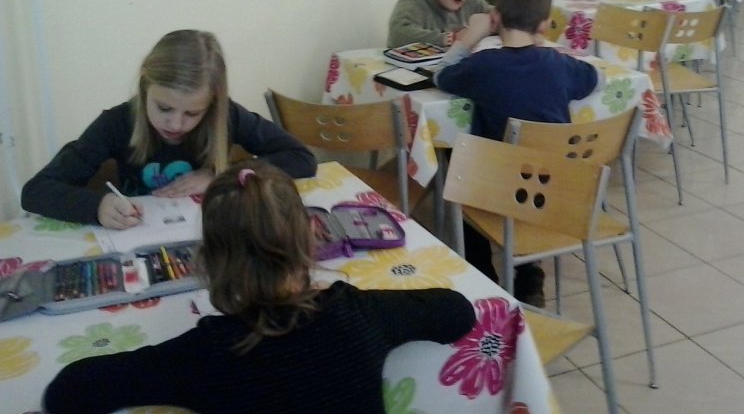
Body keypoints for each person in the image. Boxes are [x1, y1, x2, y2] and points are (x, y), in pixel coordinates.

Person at [42, 162, 475, 414]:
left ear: (208, 262)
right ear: (311, 238)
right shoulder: (358, 313)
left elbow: (67, 392)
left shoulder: (206, 353)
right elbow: (458, 311)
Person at [21, 30, 316, 229]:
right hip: (140, 238)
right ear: (145, 86)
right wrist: (97, 206)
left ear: (212, 103)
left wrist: (220, 175)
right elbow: (36, 191)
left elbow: (301, 158)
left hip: (215, 237)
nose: (175, 125)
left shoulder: (226, 115)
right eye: (164, 108)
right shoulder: (116, 123)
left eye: (192, 113)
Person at [434, 0, 601, 306]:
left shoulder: (483, 66)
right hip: (556, 186)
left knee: (458, 161)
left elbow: (440, 75)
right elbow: (599, 79)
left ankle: (483, 276)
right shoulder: (561, 65)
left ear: (495, 18)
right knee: (524, 160)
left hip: (498, 188)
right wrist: (544, 46)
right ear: (544, 24)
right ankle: (529, 277)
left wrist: (469, 38)